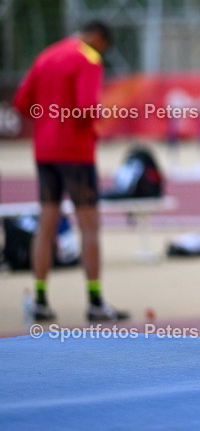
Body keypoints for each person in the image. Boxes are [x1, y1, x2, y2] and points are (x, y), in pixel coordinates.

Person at [13, 21, 129, 323]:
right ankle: (95, 301)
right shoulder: (87, 58)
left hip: (45, 151)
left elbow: (22, 102)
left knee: (46, 223)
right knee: (90, 225)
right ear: (98, 38)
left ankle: (39, 299)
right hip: (76, 153)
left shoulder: (47, 55)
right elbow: (86, 106)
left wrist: (49, 119)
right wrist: (96, 120)